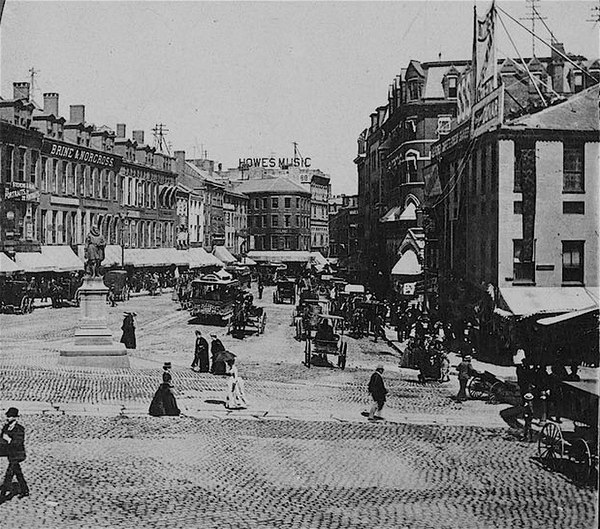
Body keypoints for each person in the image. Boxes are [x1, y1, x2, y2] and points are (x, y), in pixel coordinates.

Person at [0, 407, 29, 501]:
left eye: (10, 416)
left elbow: (17, 443)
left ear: (16, 417)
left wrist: (8, 439)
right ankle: (25, 490)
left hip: (17, 454)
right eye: (8, 416)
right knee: (18, 472)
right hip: (9, 453)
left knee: (9, 474)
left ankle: (2, 496)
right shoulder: (6, 427)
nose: (8, 418)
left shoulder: (19, 429)